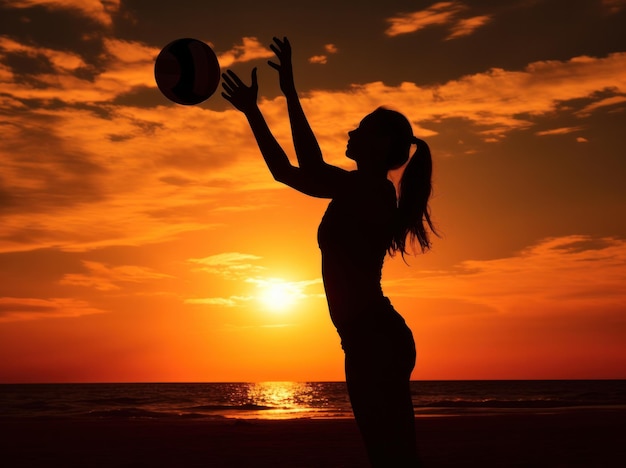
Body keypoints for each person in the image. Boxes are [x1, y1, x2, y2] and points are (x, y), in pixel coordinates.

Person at [221, 36, 436, 467]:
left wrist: (290, 92)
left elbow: (312, 165)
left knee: (393, 457)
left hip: (375, 337)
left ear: (381, 146)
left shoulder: (374, 191)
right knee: (390, 457)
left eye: (363, 129)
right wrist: (253, 112)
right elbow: (286, 172)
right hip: (365, 338)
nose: (352, 131)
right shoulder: (352, 191)